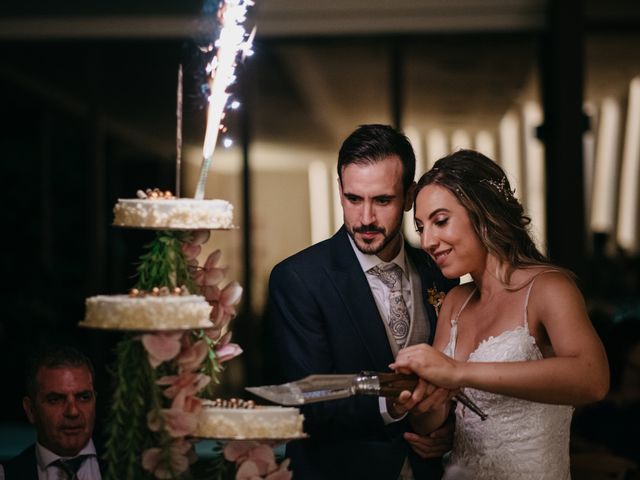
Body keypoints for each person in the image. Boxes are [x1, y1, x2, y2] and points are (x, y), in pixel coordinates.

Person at [391, 149, 610, 479]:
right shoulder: (455, 302)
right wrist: (421, 402)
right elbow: (430, 421)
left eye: (440, 221)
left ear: (482, 214)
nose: (428, 241)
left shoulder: (548, 289)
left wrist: (459, 372)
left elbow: (593, 379)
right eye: (421, 228)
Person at [267, 124, 458, 479]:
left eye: (382, 200)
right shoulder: (297, 279)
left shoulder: (440, 271)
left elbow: (455, 374)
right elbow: (310, 402)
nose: (366, 218)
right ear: (339, 190)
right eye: (354, 199)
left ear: (409, 195)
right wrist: (400, 406)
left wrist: (448, 430)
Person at [1, 345, 102, 480]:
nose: (72, 412)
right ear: (31, 410)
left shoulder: (132, 463)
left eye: (84, 397)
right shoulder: (7, 475)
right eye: (55, 400)